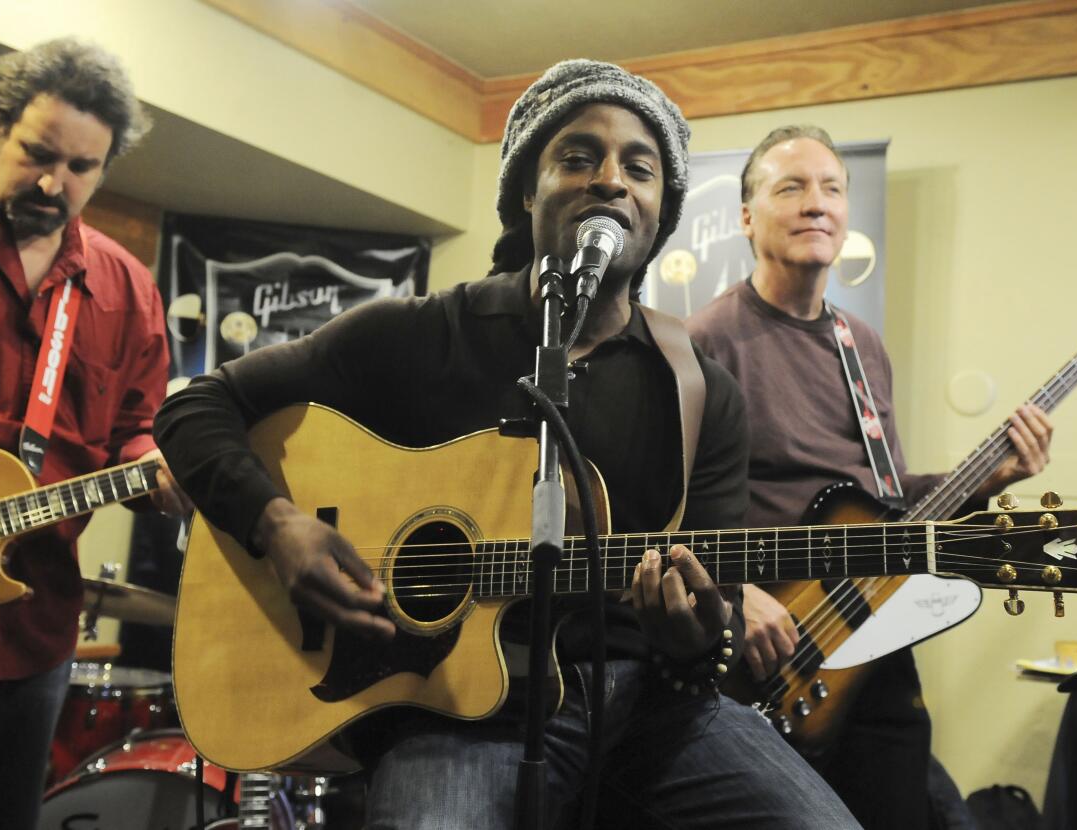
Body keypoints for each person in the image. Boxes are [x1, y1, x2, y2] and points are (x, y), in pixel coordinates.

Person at [155, 60, 858, 829]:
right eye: (579, 157)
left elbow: (712, 623)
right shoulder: (423, 334)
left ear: (662, 209)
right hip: (457, 714)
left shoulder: (702, 391)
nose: (611, 181)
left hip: (647, 710)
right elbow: (197, 405)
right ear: (528, 190)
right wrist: (277, 525)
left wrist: (690, 635)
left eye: (640, 169)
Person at [685, 124, 1053, 829]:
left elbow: (884, 497)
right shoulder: (705, 342)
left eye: (831, 188)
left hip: (879, 633)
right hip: (772, 650)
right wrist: (735, 595)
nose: (815, 203)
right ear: (746, 217)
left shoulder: (862, 345)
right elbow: (666, 506)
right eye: (791, 187)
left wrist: (990, 477)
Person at [0, 38, 191, 829]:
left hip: (34, 631)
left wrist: (162, 466)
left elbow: (134, 432)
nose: (56, 184)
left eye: (82, 167)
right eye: (37, 155)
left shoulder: (127, 290)